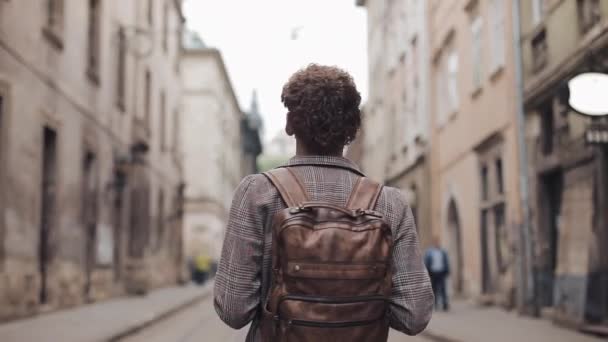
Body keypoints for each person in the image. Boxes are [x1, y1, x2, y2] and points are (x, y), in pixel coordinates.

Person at [214, 64, 434, 341]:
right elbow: (414, 315)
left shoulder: (257, 193)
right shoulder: (390, 203)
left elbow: (233, 309)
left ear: (289, 124)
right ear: (353, 128)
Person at [424, 237, 450, 311]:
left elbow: (446, 262)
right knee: (434, 289)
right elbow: (426, 263)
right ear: (433, 243)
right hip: (433, 273)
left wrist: (447, 271)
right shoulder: (429, 252)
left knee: (443, 289)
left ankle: (445, 304)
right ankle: (435, 304)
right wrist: (428, 272)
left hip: (441, 272)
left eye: (438, 242)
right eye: (435, 242)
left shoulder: (443, 251)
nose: (437, 243)